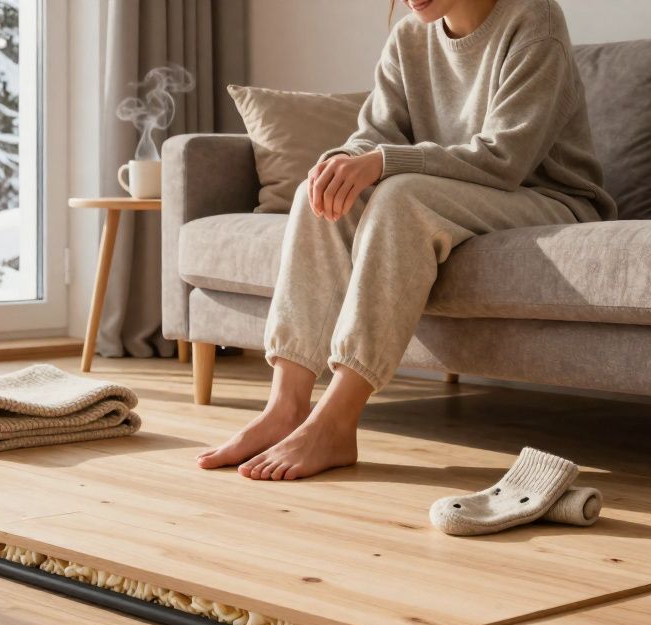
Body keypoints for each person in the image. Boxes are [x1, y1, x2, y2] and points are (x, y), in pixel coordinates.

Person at [198, 0, 616, 480]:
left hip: (546, 197)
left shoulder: (534, 19)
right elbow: (373, 135)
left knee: (400, 197)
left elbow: (506, 157)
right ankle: (285, 406)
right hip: (457, 194)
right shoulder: (409, 38)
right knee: (320, 194)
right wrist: (339, 163)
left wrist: (382, 161)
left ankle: (337, 421)